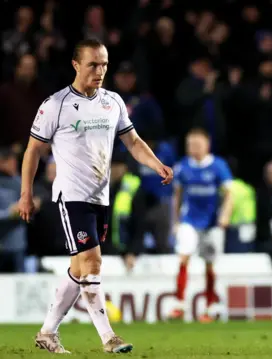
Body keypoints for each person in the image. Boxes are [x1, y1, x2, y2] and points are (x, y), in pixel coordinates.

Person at [18, 39, 173, 354]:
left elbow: (132, 141)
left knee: (79, 269)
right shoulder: (56, 104)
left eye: (104, 64)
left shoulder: (112, 101)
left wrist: (156, 164)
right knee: (92, 262)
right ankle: (108, 337)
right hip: (70, 196)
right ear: (76, 65)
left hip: (100, 197)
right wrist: (26, 194)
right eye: (93, 64)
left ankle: (47, 333)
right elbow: (33, 149)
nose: (100, 70)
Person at [169, 128, 233, 322]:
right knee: (183, 258)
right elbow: (177, 195)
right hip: (189, 220)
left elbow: (230, 193)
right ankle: (180, 305)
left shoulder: (218, 166)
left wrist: (225, 216)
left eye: (197, 144)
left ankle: (210, 307)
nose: (193, 148)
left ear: (207, 144)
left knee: (210, 264)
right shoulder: (182, 167)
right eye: (190, 145)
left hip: (212, 223)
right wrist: (176, 220)